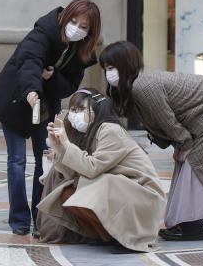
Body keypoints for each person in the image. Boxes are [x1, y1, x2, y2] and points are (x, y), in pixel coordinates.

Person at [101, 41, 203, 241]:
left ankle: (192, 227)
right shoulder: (139, 80)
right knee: (189, 168)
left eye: (112, 67)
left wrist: (184, 144)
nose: (109, 74)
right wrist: (181, 144)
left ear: (125, 65)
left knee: (195, 166)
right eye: (106, 69)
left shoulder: (143, 85)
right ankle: (188, 225)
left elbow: (167, 119)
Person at [0, 0, 102, 236]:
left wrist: (52, 78)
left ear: (91, 31)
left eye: (84, 26)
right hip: (17, 101)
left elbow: (68, 86)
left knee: (45, 162)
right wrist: (32, 90)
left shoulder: (82, 52)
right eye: (73, 20)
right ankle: (18, 220)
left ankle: (40, 217)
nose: (76, 27)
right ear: (65, 16)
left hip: (46, 108)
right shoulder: (45, 30)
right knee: (16, 161)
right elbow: (28, 60)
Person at [37, 89, 165, 253]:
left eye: (81, 109)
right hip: (123, 190)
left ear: (96, 109)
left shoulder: (110, 129)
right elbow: (72, 173)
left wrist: (67, 144)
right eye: (73, 110)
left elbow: (92, 168)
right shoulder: (89, 133)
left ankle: (125, 239)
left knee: (98, 184)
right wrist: (58, 147)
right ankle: (102, 236)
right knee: (69, 191)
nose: (74, 115)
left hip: (142, 192)